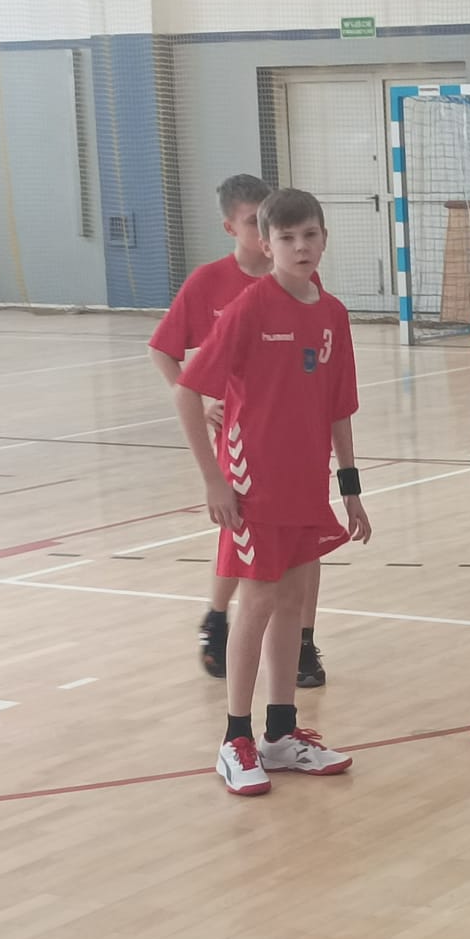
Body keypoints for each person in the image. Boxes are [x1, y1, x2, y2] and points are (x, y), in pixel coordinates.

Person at [175, 187, 370, 797]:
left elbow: (339, 408)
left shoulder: (332, 313)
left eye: (309, 235)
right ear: (266, 244)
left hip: (307, 483)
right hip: (253, 481)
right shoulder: (250, 307)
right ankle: (235, 738)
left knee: (293, 601)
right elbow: (187, 390)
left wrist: (350, 488)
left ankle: (281, 734)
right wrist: (214, 479)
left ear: (324, 238)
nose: (300, 247)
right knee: (257, 601)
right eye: (286, 238)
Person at [149, 173, 333, 688]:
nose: (267, 231)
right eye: (255, 222)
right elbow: (164, 350)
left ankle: (302, 640)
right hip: (242, 441)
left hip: (293, 442)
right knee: (244, 540)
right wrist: (200, 396)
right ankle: (218, 619)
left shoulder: (304, 282)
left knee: (305, 542)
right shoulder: (211, 283)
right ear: (232, 227)